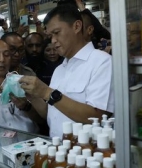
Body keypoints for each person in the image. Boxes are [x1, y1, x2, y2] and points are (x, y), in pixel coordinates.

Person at [19, 5, 114, 138]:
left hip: (86, 154)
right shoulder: (59, 69)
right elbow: (52, 114)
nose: (53, 41)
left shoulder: (102, 62)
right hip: (57, 151)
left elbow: (96, 116)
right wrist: (33, 95)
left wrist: (47, 92)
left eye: (57, 33)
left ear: (76, 26)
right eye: (50, 36)